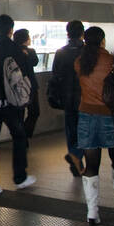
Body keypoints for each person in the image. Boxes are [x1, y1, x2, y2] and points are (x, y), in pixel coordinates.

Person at [74, 26, 114, 226]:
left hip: (86, 116)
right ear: (102, 41)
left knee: (91, 164)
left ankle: (92, 212)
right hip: (112, 116)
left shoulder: (80, 62)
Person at [0, 14, 36, 197]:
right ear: (11, 30)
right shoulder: (17, 50)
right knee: (19, 137)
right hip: (11, 106)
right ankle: (19, 177)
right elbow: (24, 76)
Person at [49, 20, 85, 177]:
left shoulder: (61, 52)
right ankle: (76, 155)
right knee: (85, 130)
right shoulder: (87, 51)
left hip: (67, 98)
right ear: (82, 33)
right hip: (85, 97)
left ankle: (75, 159)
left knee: (71, 130)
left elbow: (55, 75)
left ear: (68, 33)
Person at [14, 29, 41, 138]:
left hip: (17, 87)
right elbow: (35, 62)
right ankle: (24, 135)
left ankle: (22, 136)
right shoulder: (30, 52)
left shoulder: (13, 52)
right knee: (34, 111)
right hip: (31, 86)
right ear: (25, 39)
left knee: (20, 114)